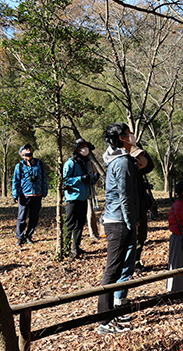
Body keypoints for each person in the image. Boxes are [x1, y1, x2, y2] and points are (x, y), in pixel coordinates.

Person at [97, 123, 141, 335]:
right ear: (123, 138)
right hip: (118, 223)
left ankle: (112, 314)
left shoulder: (122, 159)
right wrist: (130, 222)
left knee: (119, 268)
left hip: (119, 221)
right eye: (128, 133)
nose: (132, 135)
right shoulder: (122, 162)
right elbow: (124, 195)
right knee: (112, 270)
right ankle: (103, 321)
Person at [113, 144, 155, 307]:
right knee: (132, 244)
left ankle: (136, 261)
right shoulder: (126, 170)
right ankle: (119, 296)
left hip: (141, 209)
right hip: (132, 214)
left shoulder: (138, 170)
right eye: (136, 157)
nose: (139, 160)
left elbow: (149, 165)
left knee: (142, 238)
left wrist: (140, 148)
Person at [63, 138, 99, 258]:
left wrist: (95, 178)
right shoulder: (71, 163)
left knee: (79, 224)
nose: (85, 149)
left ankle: (76, 248)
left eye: (86, 146)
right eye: (82, 146)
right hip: (73, 198)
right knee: (70, 224)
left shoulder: (88, 162)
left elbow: (90, 181)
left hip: (84, 197)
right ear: (77, 149)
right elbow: (65, 180)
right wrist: (80, 178)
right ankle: (65, 249)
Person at [12, 144, 48, 246]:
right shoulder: (19, 166)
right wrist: (15, 195)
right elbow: (15, 181)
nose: (28, 150)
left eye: (29, 148)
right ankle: (20, 237)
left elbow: (44, 178)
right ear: (21, 153)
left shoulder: (39, 164)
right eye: (25, 149)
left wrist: (44, 192)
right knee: (21, 218)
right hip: (24, 195)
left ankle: (29, 236)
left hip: (37, 195)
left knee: (34, 217)